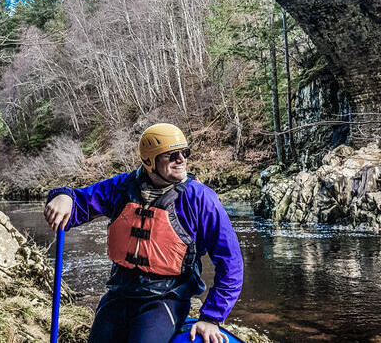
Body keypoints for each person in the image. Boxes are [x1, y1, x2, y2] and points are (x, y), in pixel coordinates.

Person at [44, 123, 243, 343]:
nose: (182, 159)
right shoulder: (122, 187)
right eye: (171, 155)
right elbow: (79, 204)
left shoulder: (200, 199)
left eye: (184, 153)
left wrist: (211, 317)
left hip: (166, 298)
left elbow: (231, 262)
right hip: (119, 293)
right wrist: (63, 196)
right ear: (149, 161)